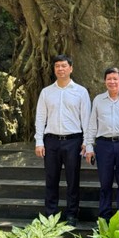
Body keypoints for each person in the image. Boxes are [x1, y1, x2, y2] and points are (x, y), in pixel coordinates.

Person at [34, 54, 91, 226]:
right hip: (51, 141)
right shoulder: (46, 92)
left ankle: (72, 214)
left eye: (64, 66)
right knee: (51, 178)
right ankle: (50, 215)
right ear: (54, 69)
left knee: (73, 179)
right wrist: (39, 141)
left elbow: (86, 118)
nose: (60, 69)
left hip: (73, 140)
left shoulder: (81, 92)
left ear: (71, 68)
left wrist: (87, 142)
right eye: (57, 66)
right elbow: (40, 117)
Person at [85, 67, 119, 222]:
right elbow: (92, 125)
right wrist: (89, 147)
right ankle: (104, 217)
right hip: (104, 145)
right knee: (105, 183)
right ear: (105, 81)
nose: (112, 82)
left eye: (115, 79)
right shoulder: (98, 100)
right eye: (109, 79)